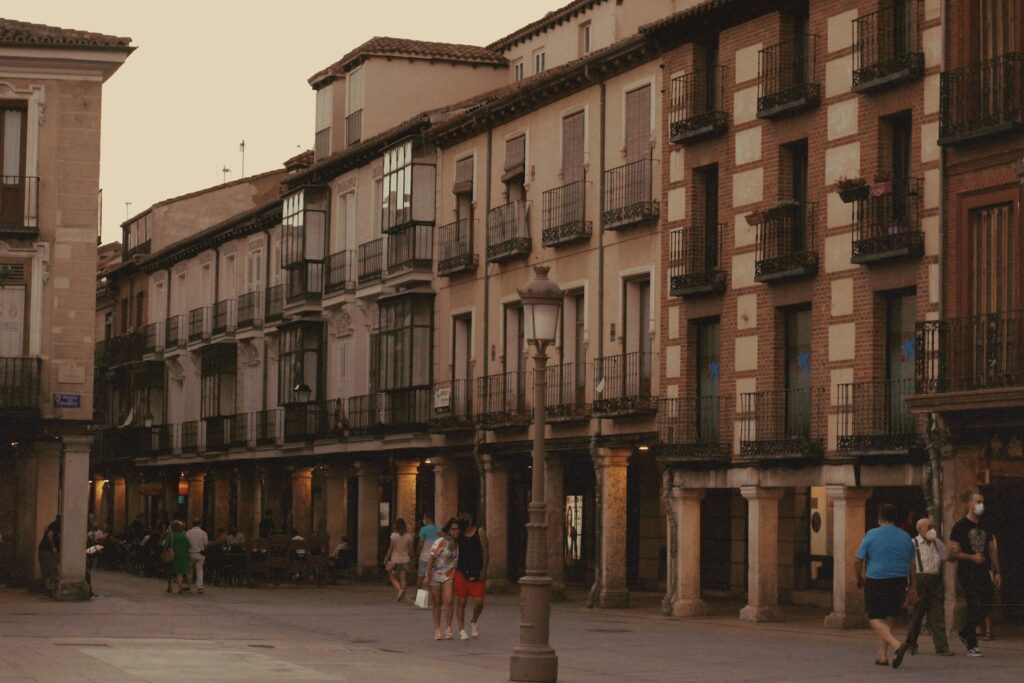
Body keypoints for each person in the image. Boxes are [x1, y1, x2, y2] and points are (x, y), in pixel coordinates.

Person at [855, 502, 917, 669]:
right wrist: (912, 586)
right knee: (889, 616)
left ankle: (897, 644)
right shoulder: (906, 536)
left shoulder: (871, 534)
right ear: (895, 518)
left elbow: (858, 560)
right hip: (899, 580)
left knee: (874, 617)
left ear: (879, 517)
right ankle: (882, 655)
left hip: (877, 579)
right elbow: (912, 563)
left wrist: (858, 578)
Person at [948, 491, 1001, 657]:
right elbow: (952, 554)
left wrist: (997, 571)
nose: (981, 505)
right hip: (967, 572)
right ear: (970, 504)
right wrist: (971, 557)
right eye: (978, 502)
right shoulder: (960, 526)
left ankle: (965, 631)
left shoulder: (986, 525)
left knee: (987, 603)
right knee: (973, 604)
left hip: (984, 571)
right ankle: (972, 643)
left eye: (982, 502)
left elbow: (991, 549)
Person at [905, 518, 953, 656]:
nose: (932, 529)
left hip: (935, 580)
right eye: (929, 527)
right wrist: (910, 587)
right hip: (919, 580)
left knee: (938, 615)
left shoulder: (937, 543)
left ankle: (942, 647)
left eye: (933, 526)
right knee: (917, 615)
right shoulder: (912, 543)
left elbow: (948, 557)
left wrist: (954, 552)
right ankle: (911, 644)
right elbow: (908, 565)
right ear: (920, 529)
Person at [455, 511, 489, 640]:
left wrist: (484, 569)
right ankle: (461, 629)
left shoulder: (479, 531)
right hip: (462, 570)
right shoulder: (459, 533)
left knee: (479, 601)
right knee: (461, 601)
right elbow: (443, 532)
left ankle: (474, 620)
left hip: (476, 569)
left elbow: (485, 550)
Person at [425, 518, 461, 640]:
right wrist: (427, 575)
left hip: (448, 575)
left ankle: (448, 627)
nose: (456, 531)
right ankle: (437, 628)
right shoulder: (441, 542)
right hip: (435, 574)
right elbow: (432, 557)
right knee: (436, 602)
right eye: (453, 529)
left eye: (457, 529)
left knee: (449, 600)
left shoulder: (457, 544)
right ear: (449, 530)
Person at [384, 518, 414, 601]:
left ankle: (399, 589)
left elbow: (391, 548)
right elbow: (410, 549)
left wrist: (386, 558)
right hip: (405, 559)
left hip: (395, 559)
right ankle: (402, 593)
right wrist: (412, 556)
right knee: (403, 577)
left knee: (392, 576)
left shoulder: (394, 535)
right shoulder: (409, 536)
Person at [163, 520, 191, 594]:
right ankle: (180, 587)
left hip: (172, 556)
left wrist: (164, 554)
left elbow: (165, 546)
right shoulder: (184, 536)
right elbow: (188, 547)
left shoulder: (171, 535)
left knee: (170, 572)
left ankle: (169, 587)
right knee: (179, 573)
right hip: (182, 556)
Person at [37, 515, 61, 594]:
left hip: (48, 551)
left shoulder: (58, 525)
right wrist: (53, 548)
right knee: (49, 570)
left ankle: (50, 589)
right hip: (46, 550)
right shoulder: (56, 525)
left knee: (52, 570)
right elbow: (49, 536)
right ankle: (49, 590)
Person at [184, 519, 208, 594]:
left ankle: (189, 585)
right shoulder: (204, 533)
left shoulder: (188, 533)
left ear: (192, 524)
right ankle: (200, 587)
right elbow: (206, 544)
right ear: (200, 524)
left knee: (189, 570)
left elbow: (186, 543)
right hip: (200, 553)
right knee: (200, 570)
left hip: (191, 553)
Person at [417, 514, 440, 588]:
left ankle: (419, 593)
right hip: (435, 558)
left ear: (428, 519)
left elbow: (420, 544)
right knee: (433, 578)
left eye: (424, 518)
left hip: (424, 557)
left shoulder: (423, 529)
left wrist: (418, 553)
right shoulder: (439, 529)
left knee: (421, 577)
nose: (423, 520)